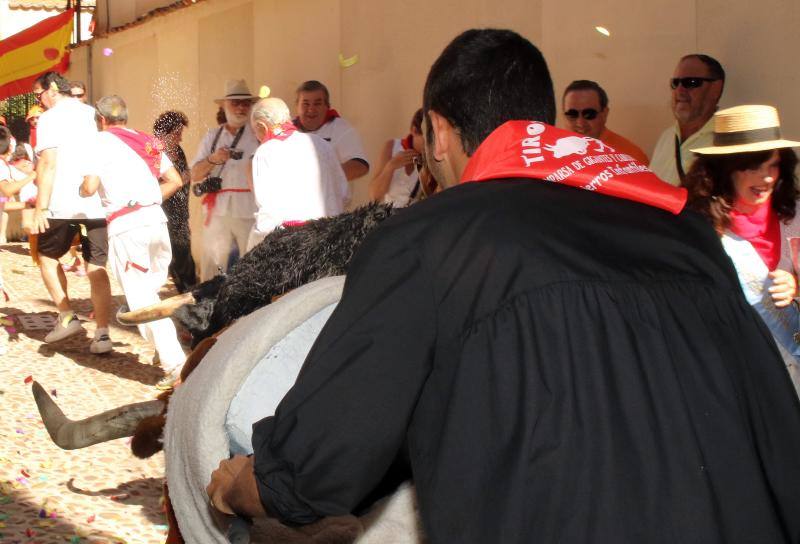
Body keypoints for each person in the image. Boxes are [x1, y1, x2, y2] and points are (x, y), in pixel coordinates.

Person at [206, 29, 800, 542]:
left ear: (440, 131)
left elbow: (319, 465)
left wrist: (245, 483)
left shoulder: (427, 240)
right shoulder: (686, 232)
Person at [684, 104, 800, 396]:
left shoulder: (796, 215)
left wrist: (796, 287)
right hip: (736, 378)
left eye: (773, 165)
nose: (767, 177)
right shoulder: (699, 229)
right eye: (752, 166)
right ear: (725, 169)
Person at [81, 95, 187, 387]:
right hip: (156, 222)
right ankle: (163, 348)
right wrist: (148, 199)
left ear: (102, 119)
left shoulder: (98, 141)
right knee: (150, 291)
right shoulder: (147, 140)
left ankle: (176, 365)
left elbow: (90, 186)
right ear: (124, 116)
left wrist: (83, 188)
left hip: (128, 227)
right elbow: (175, 180)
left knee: (142, 298)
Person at [30, 72, 112, 353]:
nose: (39, 101)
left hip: (62, 204)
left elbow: (48, 164)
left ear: (52, 89)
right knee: (96, 266)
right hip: (95, 204)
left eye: (38, 94)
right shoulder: (91, 113)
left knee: (46, 256)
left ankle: (66, 316)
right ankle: (102, 334)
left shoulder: (50, 118)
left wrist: (40, 207)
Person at [246, 97, 349, 250]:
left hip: (294, 244)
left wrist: (256, 246)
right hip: (331, 238)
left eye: (255, 132)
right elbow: (344, 193)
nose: (257, 137)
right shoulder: (321, 143)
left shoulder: (265, 151)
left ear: (262, 126)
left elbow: (267, 209)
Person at [190, 80, 259, 281]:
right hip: (217, 210)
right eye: (235, 102)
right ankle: (208, 298)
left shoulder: (258, 135)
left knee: (250, 264)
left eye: (245, 103)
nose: (241, 107)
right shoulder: (212, 136)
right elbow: (194, 174)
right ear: (224, 106)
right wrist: (213, 159)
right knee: (212, 264)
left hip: (249, 210)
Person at [650, 54, 725, 186]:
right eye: (675, 83)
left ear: (715, 89)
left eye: (691, 82)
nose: (679, 90)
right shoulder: (667, 136)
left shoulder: (725, 142)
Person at [154, 110, 196, 293]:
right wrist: (182, 179)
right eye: (177, 134)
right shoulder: (153, 153)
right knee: (167, 258)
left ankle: (188, 294)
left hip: (179, 216)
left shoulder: (178, 151)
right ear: (164, 133)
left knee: (183, 257)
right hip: (161, 216)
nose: (180, 138)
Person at [293, 80, 369, 182]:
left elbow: (360, 166)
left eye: (317, 104)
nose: (311, 109)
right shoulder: (285, 131)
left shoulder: (341, 129)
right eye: (306, 104)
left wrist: (321, 178)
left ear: (327, 106)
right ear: (297, 106)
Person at [561, 80, 649, 164]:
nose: (580, 123)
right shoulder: (554, 153)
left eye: (589, 114)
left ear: (604, 114)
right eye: (572, 114)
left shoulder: (631, 156)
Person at [368, 108, 435, 206]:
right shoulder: (392, 146)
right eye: (427, 139)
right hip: (391, 214)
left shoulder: (434, 155)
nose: (431, 144)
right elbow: (374, 197)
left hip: (418, 214)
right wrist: (391, 166)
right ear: (414, 131)